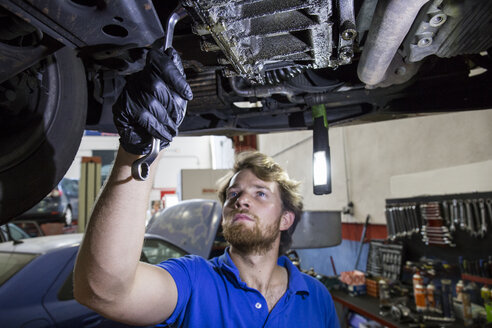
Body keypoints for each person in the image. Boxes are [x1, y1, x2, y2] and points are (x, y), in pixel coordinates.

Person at [73, 47, 340, 328]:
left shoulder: (316, 296)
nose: (241, 201)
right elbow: (103, 292)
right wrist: (138, 151)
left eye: (260, 193)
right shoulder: (194, 279)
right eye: (234, 194)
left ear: (286, 218)